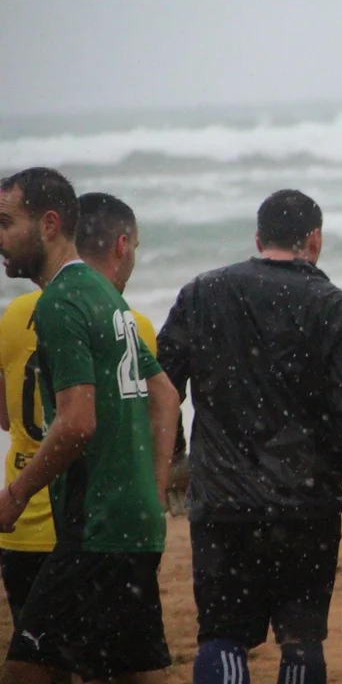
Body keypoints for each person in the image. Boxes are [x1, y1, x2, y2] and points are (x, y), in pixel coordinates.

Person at [156, 188, 342, 684]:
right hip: (306, 502)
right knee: (300, 639)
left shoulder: (202, 292)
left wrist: (174, 457)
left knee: (222, 634)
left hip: (222, 500)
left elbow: (163, 385)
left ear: (259, 239)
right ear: (315, 240)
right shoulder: (333, 306)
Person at [0, 168, 180, 684]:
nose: (0, 239)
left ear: (49, 224)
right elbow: (165, 395)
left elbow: (77, 422)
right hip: (129, 518)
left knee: (25, 671)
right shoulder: (104, 294)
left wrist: (16, 494)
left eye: (6, 223)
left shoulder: (59, 302)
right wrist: (153, 491)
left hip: (96, 526)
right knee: (129, 671)